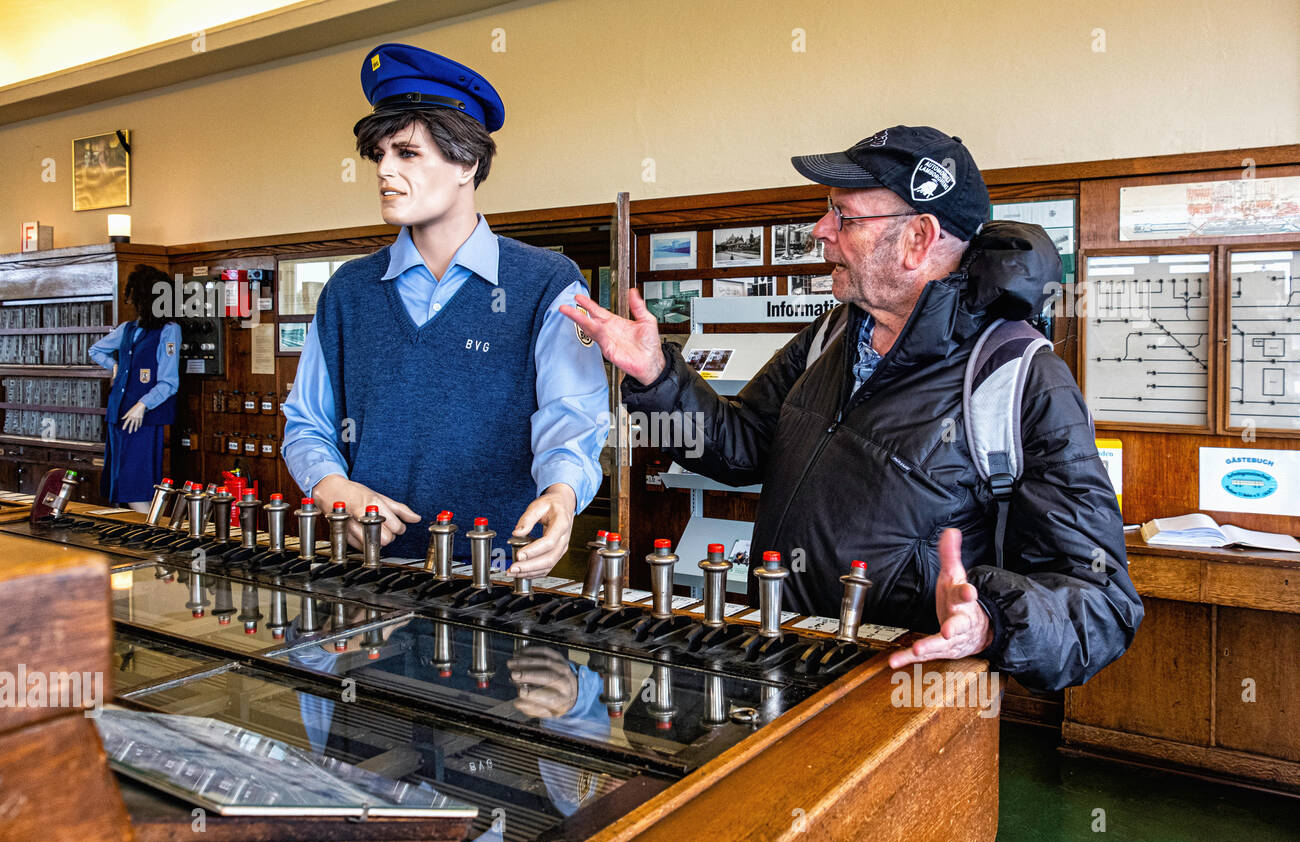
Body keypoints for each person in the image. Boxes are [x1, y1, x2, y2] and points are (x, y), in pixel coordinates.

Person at [564, 126, 1143, 692]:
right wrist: (658, 375)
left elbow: (1102, 602)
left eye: (845, 216)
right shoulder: (832, 335)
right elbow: (743, 446)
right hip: (783, 658)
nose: (821, 231)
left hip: (898, 696)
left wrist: (992, 618)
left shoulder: (1019, 376)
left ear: (919, 238)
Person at [282, 43, 607, 572]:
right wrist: (331, 485)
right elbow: (306, 421)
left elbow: (571, 416)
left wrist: (564, 493)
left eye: (406, 153)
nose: (385, 170)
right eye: (379, 154)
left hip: (498, 578)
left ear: (468, 162)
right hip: (370, 578)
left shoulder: (547, 282)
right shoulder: (348, 291)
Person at [89, 265, 181, 511]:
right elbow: (96, 350)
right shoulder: (127, 329)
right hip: (118, 415)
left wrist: (143, 405)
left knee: (136, 484)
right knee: (117, 484)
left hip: (143, 419)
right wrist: (115, 366)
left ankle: (149, 540)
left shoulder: (169, 330)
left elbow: (169, 382)